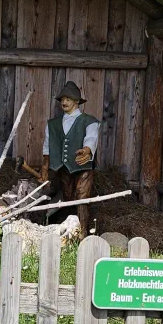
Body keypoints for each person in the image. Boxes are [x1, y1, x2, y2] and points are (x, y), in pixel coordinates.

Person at [39, 80, 100, 236]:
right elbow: (47, 147)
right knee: (68, 198)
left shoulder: (89, 121)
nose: (64, 102)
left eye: (68, 99)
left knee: (81, 197)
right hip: (63, 168)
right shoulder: (53, 124)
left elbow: (91, 138)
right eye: (62, 99)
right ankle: (69, 231)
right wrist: (45, 169)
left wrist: (87, 150)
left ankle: (83, 234)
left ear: (77, 101)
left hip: (83, 167)